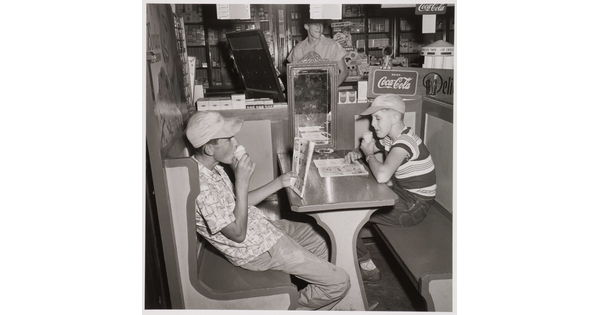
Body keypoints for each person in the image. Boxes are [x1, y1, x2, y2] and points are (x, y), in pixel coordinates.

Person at [185, 111, 350, 310]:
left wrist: (279, 183)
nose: (236, 143)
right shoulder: (201, 188)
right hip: (256, 250)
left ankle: (317, 288)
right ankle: (291, 307)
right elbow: (237, 234)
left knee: (320, 238)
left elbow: (240, 203)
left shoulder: (213, 167)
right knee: (340, 282)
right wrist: (242, 182)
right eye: (228, 139)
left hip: (263, 228)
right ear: (210, 148)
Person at [344, 94, 437, 285]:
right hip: (405, 197)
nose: (373, 125)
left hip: (414, 207)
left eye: (377, 118)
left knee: (347, 217)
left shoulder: (405, 143)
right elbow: (373, 148)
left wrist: (369, 155)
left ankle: (367, 268)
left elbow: (382, 175)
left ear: (395, 118)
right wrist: (357, 153)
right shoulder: (392, 139)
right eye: (372, 119)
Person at [287, 19, 349, 87]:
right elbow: (292, 76)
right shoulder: (298, 49)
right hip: (306, 94)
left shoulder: (333, 46)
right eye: (315, 24)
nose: (319, 27)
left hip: (327, 95)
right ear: (306, 26)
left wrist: (330, 89)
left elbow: (344, 71)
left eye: (321, 24)